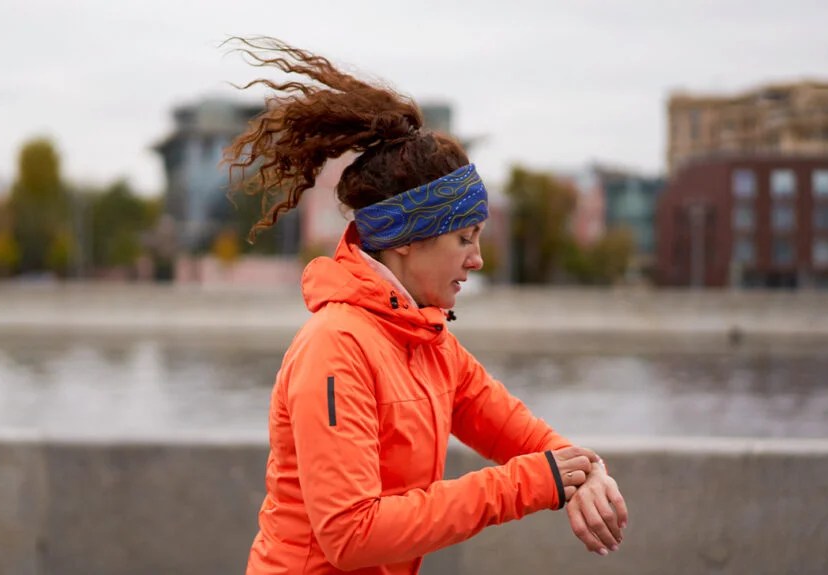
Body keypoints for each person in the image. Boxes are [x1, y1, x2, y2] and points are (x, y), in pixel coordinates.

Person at [224, 37, 628, 575]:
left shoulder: (428, 341)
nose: (477, 260)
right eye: (465, 238)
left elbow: (519, 434)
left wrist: (585, 471)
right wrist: (531, 484)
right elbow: (351, 534)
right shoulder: (336, 346)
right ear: (408, 238)